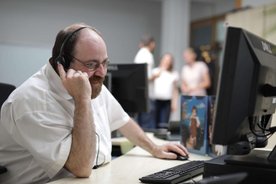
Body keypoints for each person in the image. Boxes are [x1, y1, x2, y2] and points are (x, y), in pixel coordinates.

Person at [0, 23, 188, 184]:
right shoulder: (32, 102)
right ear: (62, 63)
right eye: (91, 64)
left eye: (104, 63)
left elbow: (122, 120)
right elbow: (81, 168)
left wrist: (154, 147)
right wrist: (82, 99)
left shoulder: (91, 81)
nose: (101, 72)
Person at [134, 34, 156, 130]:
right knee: (147, 123)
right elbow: (146, 76)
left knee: (140, 122)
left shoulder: (139, 54)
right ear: (151, 43)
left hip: (139, 93)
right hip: (147, 94)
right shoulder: (148, 55)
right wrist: (155, 76)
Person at [151, 53, 179, 128]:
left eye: (169, 60)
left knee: (164, 123)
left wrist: (174, 103)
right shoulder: (155, 71)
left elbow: (175, 90)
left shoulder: (174, 73)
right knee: (154, 122)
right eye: (165, 59)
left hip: (167, 101)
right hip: (156, 100)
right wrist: (160, 71)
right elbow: (150, 81)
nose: (167, 62)